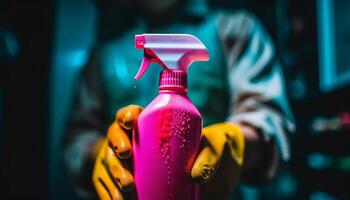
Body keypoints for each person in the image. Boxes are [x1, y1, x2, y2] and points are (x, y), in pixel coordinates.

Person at [64, 0, 295, 199]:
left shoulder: (234, 29)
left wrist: (239, 144)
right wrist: (99, 156)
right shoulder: (105, 55)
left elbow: (271, 122)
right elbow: (76, 139)